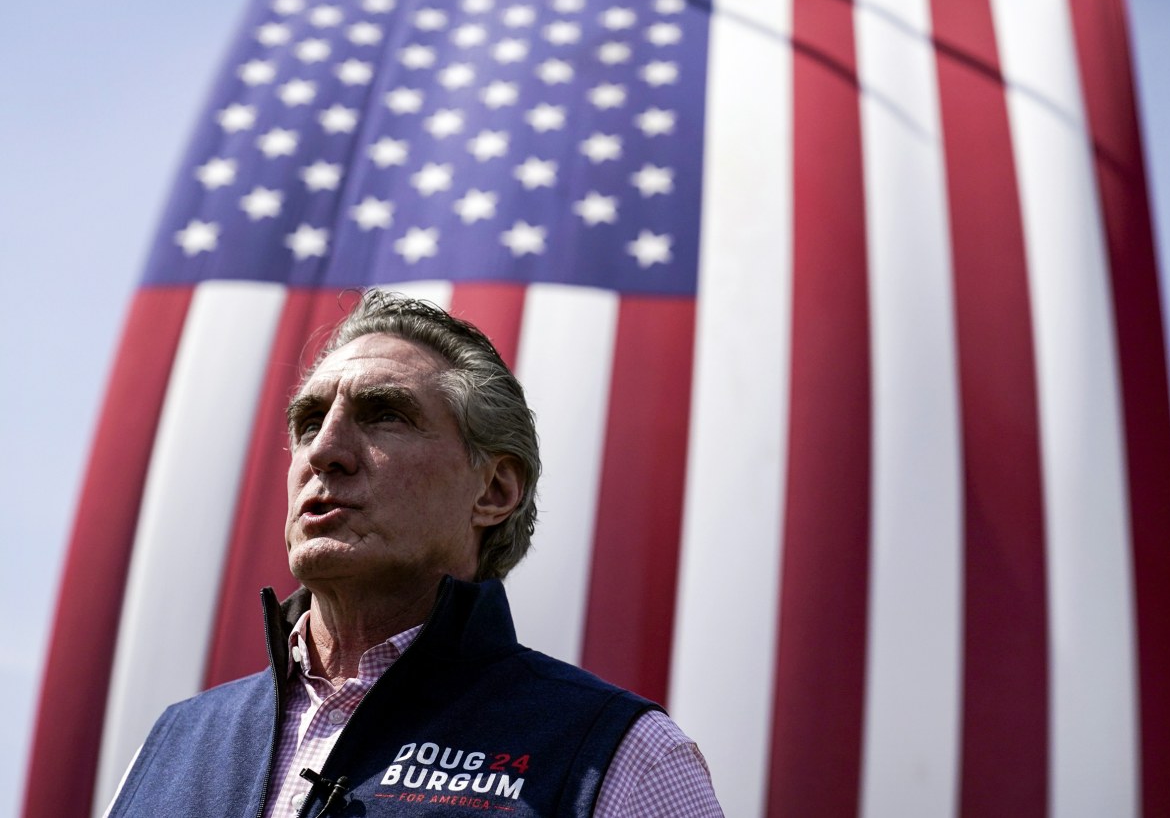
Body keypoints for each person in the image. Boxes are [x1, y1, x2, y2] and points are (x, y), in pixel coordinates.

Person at [105, 289, 723, 817]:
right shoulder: (170, 743)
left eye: (385, 416)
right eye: (309, 420)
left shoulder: (619, 757)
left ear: (494, 489)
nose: (325, 451)